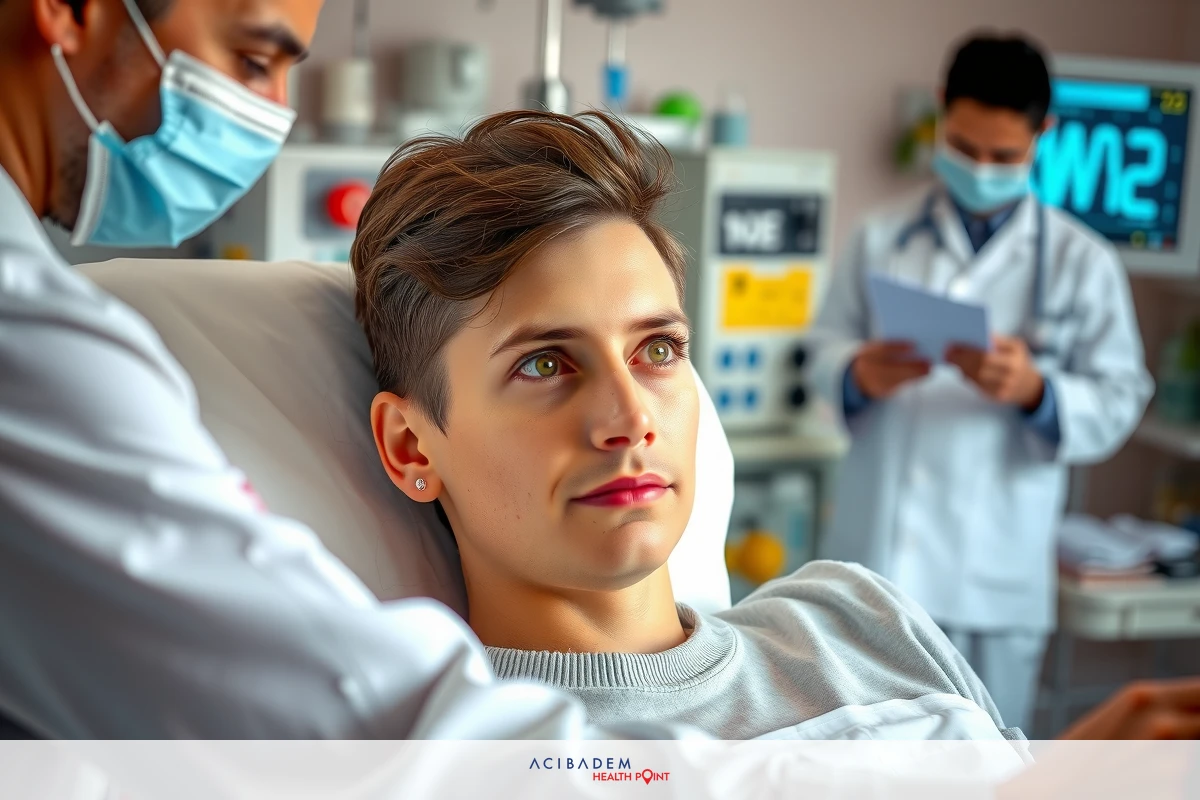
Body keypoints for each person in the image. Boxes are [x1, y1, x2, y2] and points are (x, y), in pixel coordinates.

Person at [352, 109, 1022, 741]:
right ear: (411, 448)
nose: (632, 419)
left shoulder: (862, 622)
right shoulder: (471, 759)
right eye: (545, 364)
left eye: (657, 350)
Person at [807, 32, 1155, 734]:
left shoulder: (1083, 261)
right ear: (941, 109)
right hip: (879, 565)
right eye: (965, 149)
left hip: (992, 580)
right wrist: (856, 371)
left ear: (1043, 134)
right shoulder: (881, 236)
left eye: (1004, 157)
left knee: (988, 765)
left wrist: (1037, 391)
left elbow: (1122, 395)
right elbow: (821, 347)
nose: (982, 170)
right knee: (857, 758)